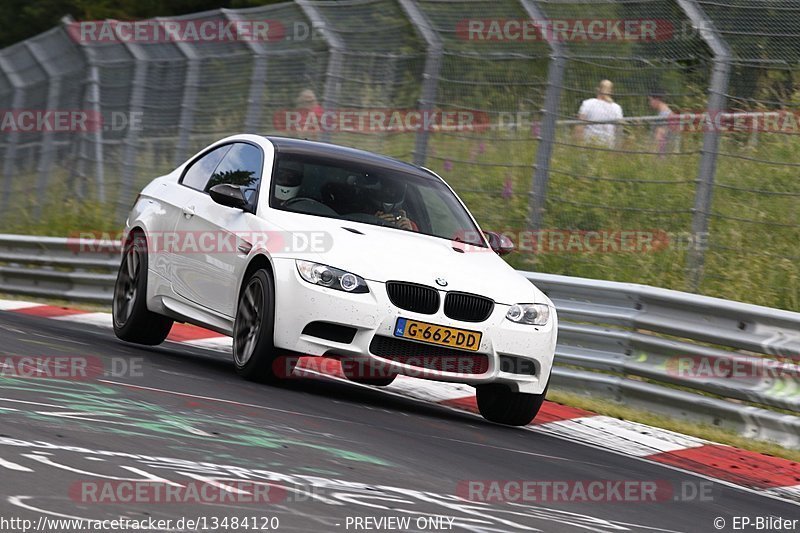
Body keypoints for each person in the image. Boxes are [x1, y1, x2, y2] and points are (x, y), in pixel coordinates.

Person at [576, 80, 623, 147]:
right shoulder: (617, 108)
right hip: (608, 146)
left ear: (597, 90)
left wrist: (578, 145)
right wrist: (617, 149)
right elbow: (618, 131)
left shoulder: (587, 103)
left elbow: (579, 127)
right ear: (611, 91)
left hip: (589, 144)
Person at [648, 89, 673, 155]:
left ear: (657, 99)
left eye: (650, 100)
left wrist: (653, 152)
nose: (649, 103)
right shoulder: (668, 112)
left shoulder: (663, 115)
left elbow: (660, 137)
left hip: (662, 154)